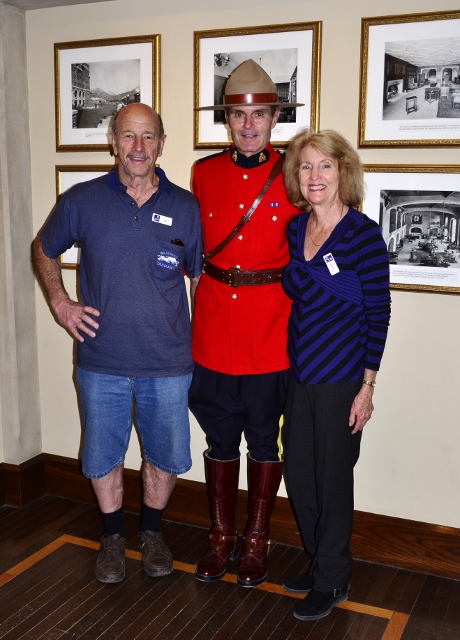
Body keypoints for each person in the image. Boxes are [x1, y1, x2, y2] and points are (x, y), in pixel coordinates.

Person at [33, 103, 202, 584]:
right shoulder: (82, 200)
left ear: (162, 144)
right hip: (101, 360)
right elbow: (42, 250)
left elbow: (199, 284)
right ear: (113, 141)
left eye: (148, 137)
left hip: (168, 362)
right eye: (129, 136)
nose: (138, 147)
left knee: (164, 455)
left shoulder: (185, 207)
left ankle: (150, 532)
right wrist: (62, 304)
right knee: (103, 455)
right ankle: (111, 536)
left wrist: (202, 349)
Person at [189, 60, 303, 588]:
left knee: (263, 439)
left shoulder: (295, 173)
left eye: (260, 114)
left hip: (269, 331)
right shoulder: (203, 173)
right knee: (218, 437)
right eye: (239, 114)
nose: (249, 125)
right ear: (227, 120)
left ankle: (257, 539)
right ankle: (220, 536)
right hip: (214, 328)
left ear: (276, 116)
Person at [280, 129, 391, 620]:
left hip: (342, 378)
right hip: (299, 373)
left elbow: (377, 314)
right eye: (306, 167)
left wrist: (367, 386)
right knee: (300, 476)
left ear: (343, 172)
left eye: (325, 166)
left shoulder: (363, 235)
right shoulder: (294, 229)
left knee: (332, 479)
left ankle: (332, 578)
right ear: (296, 176)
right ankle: (321, 560)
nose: (315, 176)